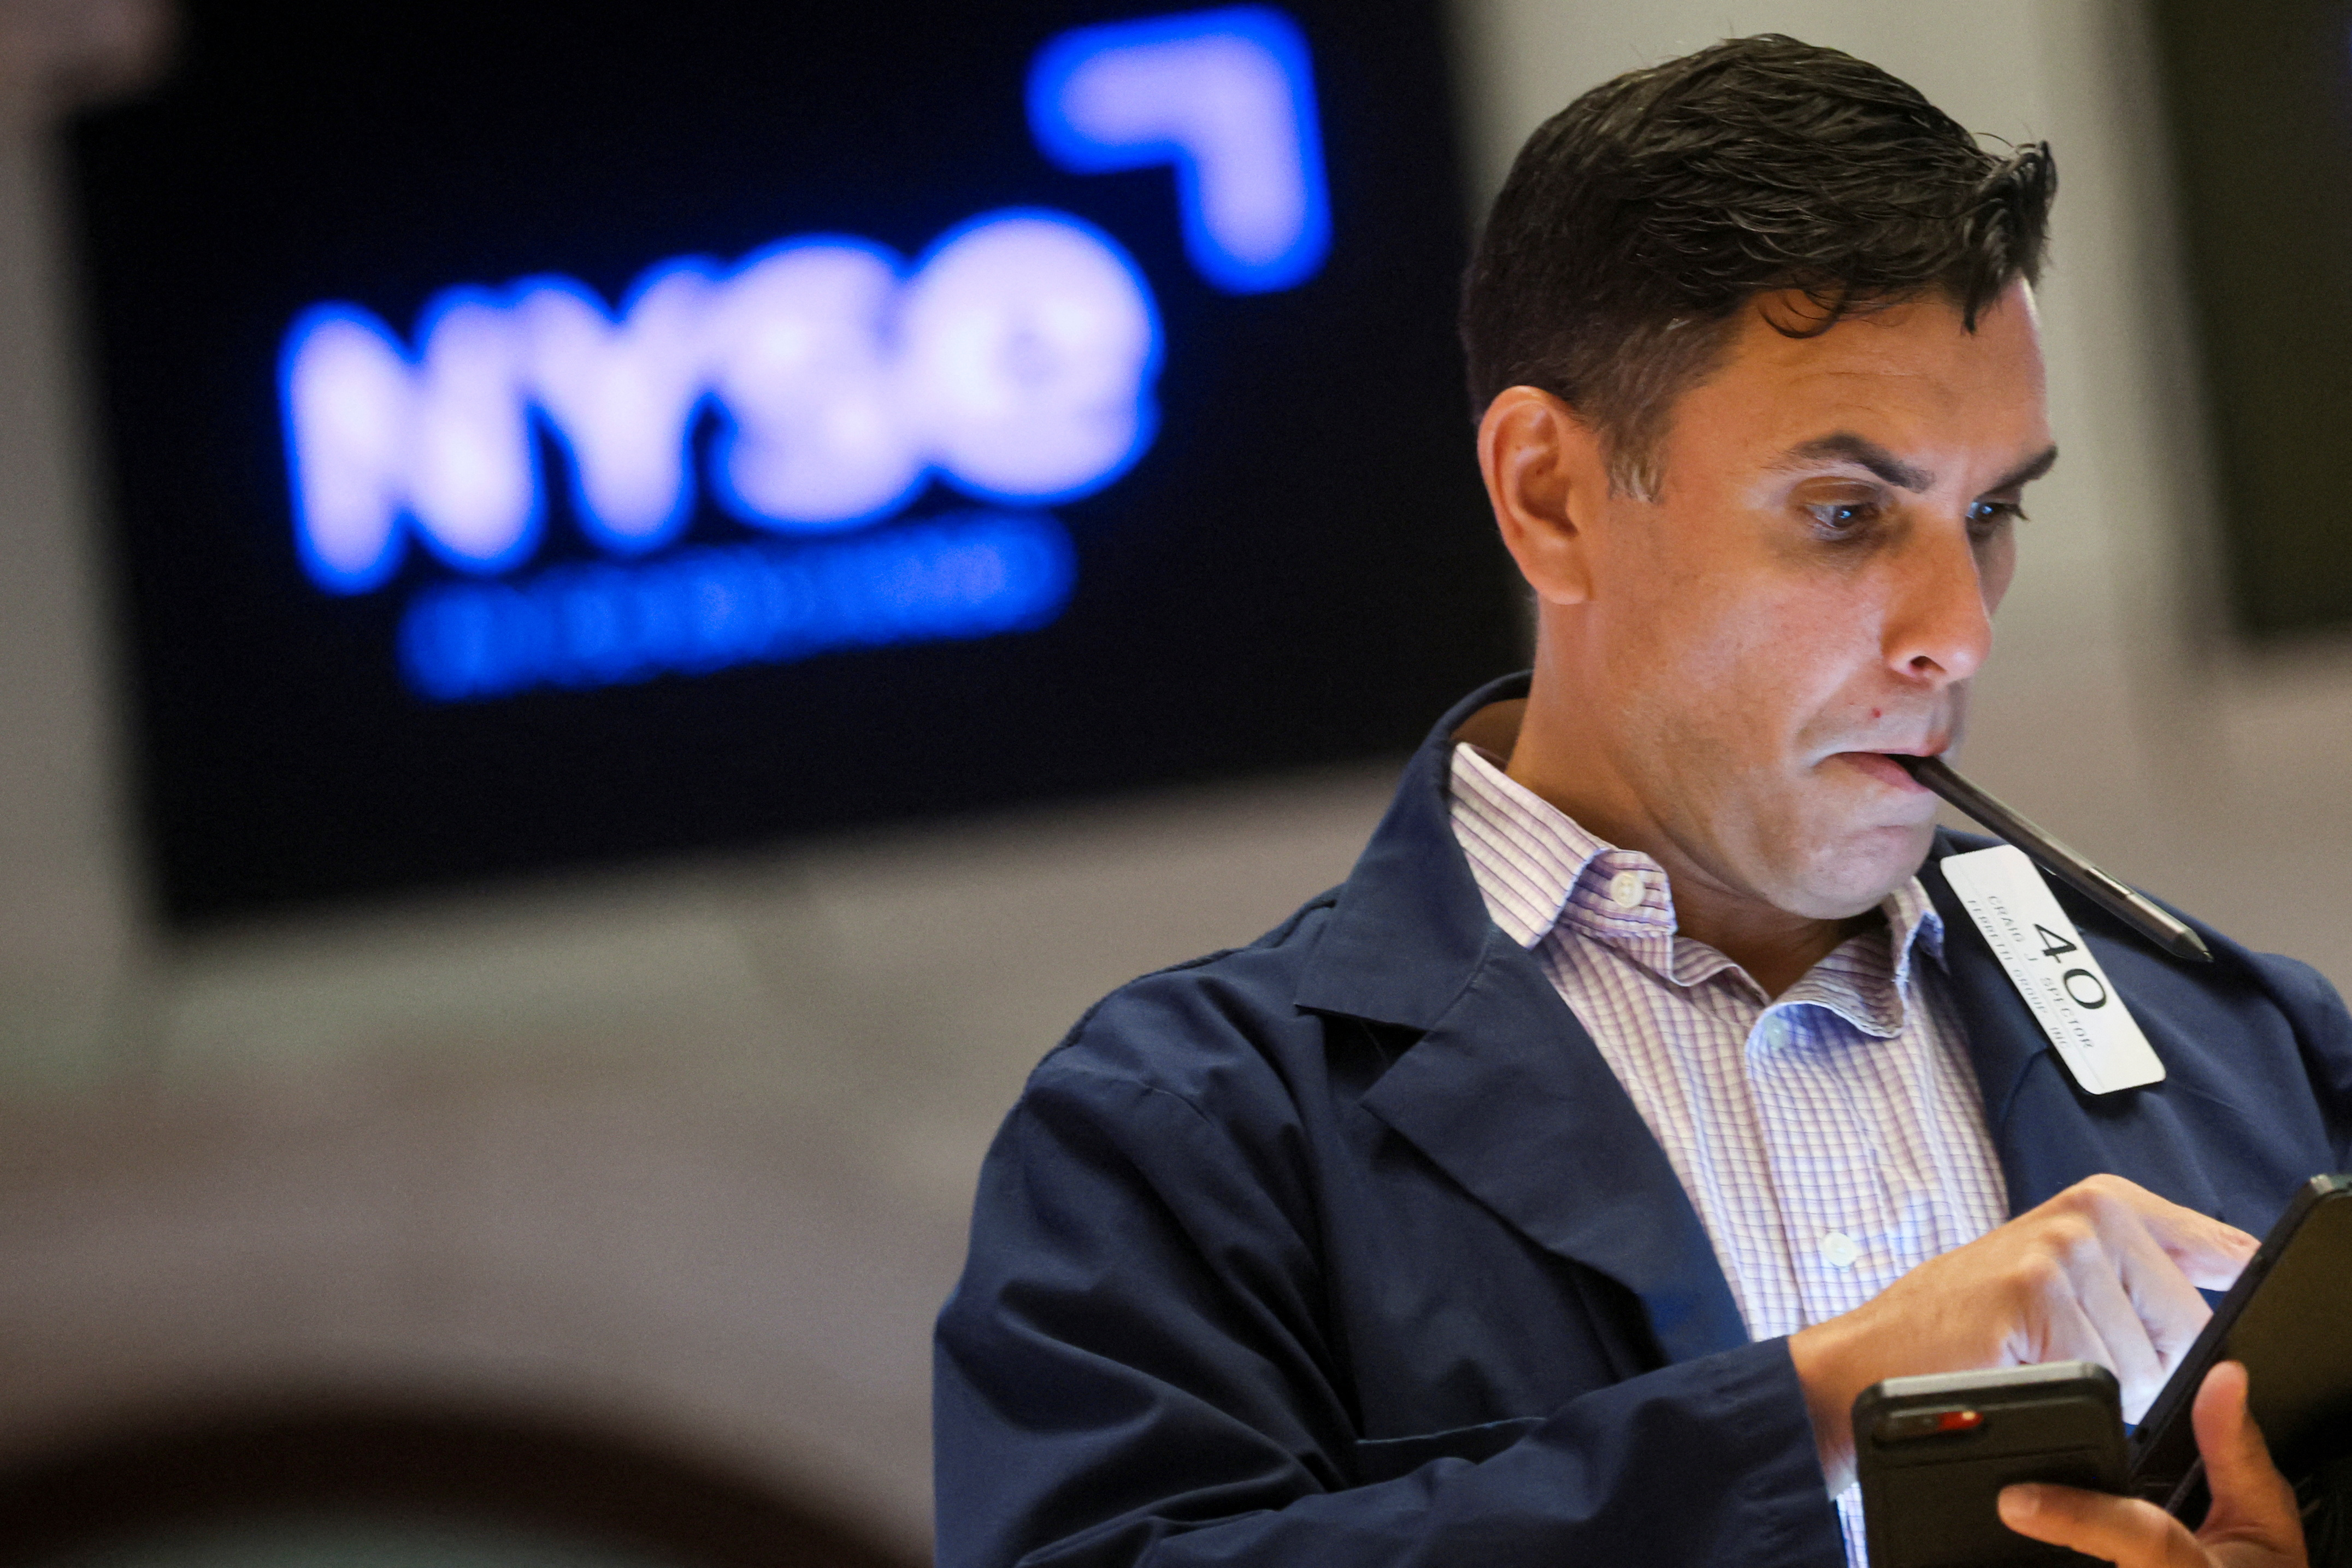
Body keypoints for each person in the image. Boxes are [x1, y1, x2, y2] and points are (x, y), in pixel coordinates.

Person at [933, 34, 2352, 1568]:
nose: (1958, 630)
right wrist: (1808, 1413)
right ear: (1548, 493)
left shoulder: (2255, 1053)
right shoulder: (1190, 1132)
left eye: (1991, 508)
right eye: (1844, 512)